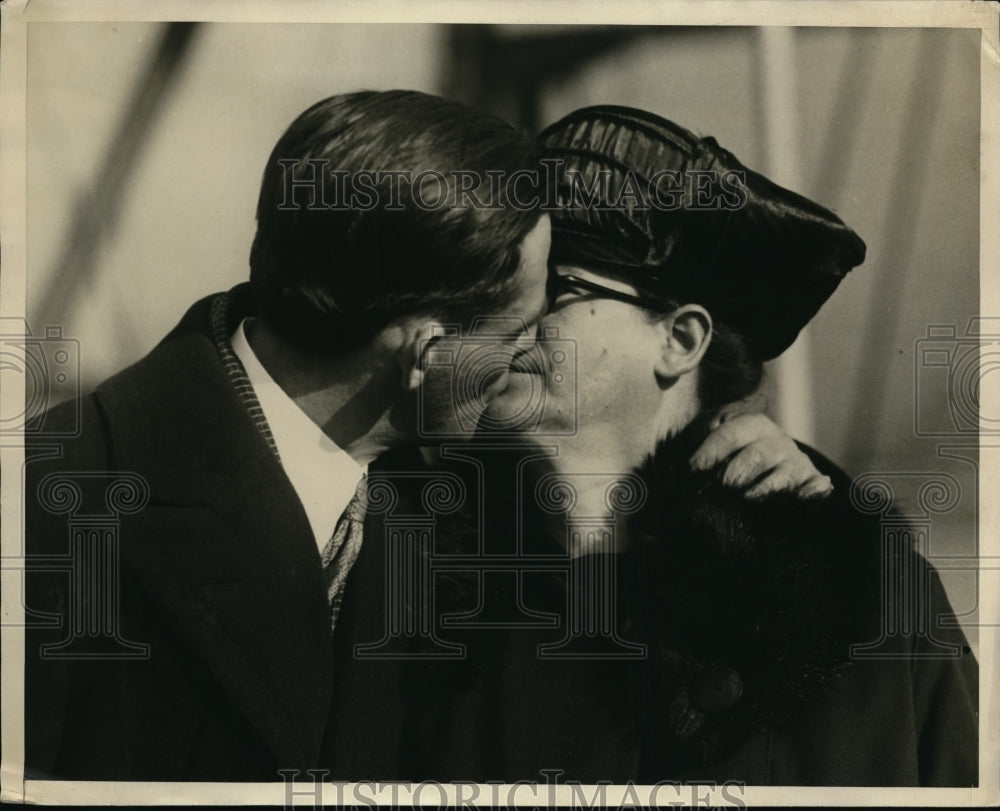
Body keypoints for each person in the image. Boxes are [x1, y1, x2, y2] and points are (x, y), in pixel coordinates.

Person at [22, 91, 825, 781]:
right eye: (524, 322)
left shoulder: (441, 502)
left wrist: (744, 490)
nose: (535, 349)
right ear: (428, 351)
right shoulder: (47, 517)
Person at [401, 106, 979, 786]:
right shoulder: (406, 571)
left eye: (554, 288)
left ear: (679, 340)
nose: (504, 318)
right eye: (493, 290)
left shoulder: (873, 599)